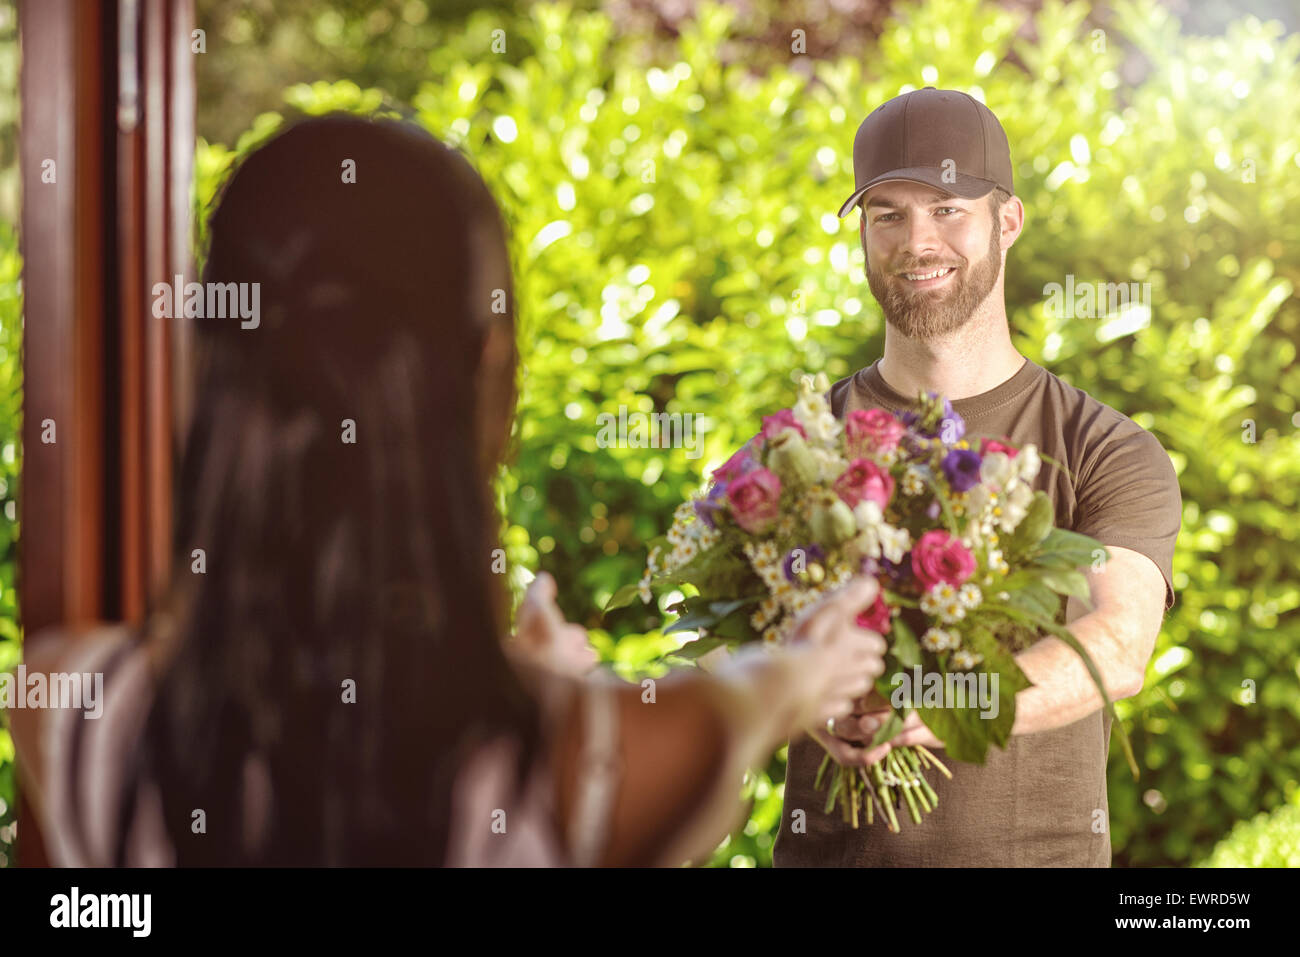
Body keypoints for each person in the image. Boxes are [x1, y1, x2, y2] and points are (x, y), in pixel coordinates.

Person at [7, 114, 888, 867]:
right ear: (485, 367)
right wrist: (808, 663)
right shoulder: (588, 765)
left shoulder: (66, 711)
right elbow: (753, 695)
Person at [772, 88, 1182, 867]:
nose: (916, 240)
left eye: (949, 207)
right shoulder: (801, 446)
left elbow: (1119, 646)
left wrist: (948, 704)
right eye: (887, 214)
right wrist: (789, 694)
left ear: (1009, 221)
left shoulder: (1103, 448)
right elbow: (734, 643)